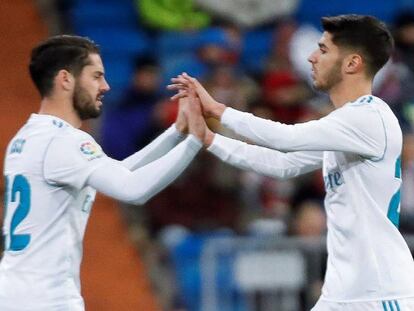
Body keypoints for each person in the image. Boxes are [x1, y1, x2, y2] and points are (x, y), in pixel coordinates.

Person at [169, 15, 414, 310]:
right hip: (342, 293)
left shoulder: (369, 118)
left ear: (352, 63)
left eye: (323, 50)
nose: (311, 58)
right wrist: (208, 138)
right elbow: (282, 164)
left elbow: (286, 138)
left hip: (378, 293)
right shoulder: (345, 126)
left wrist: (219, 110)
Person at [0, 35, 207, 311]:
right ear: (66, 79)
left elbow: (119, 171)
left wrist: (177, 133)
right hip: (47, 298)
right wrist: (196, 141)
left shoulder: (27, 137)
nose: (105, 86)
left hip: (15, 291)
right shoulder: (65, 141)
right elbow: (133, 189)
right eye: (96, 76)